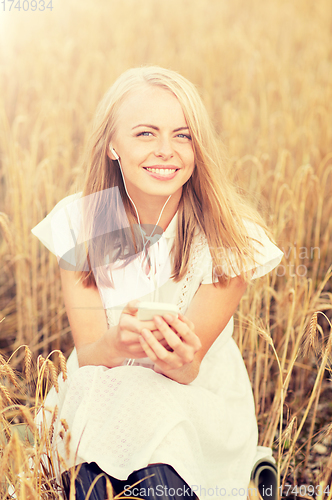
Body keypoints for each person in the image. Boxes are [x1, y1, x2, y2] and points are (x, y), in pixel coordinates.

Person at [31, 66, 283, 500]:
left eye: (183, 136)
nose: (166, 151)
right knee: (109, 408)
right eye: (145, 134)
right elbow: (91, 357)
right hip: (101, 388)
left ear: (197, 146)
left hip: (194, 399)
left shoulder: (229, 238)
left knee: (154, 413)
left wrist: (178, 358)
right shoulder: (81, 223)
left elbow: (188, 369)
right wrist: (118, 345)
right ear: (112, 145)